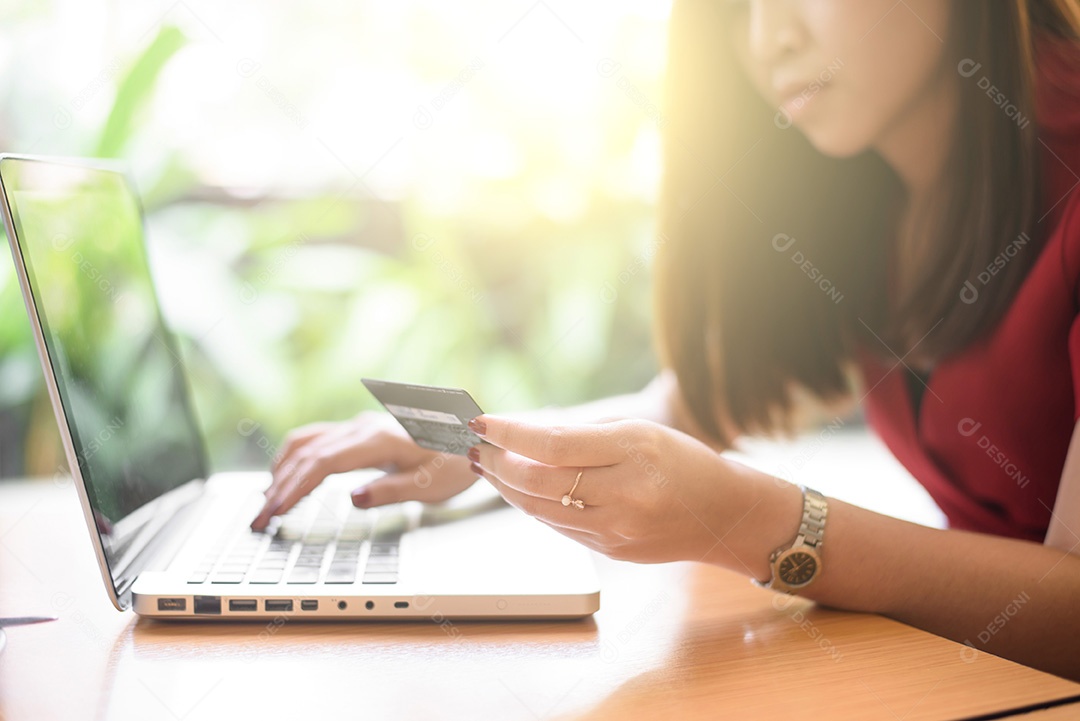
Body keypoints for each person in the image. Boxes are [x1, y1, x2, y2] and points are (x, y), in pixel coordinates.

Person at [251, 0, 1080, 679]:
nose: (769, 40)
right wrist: (476, 448)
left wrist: (758, 520)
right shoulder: (858, 194)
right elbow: (689, 408)